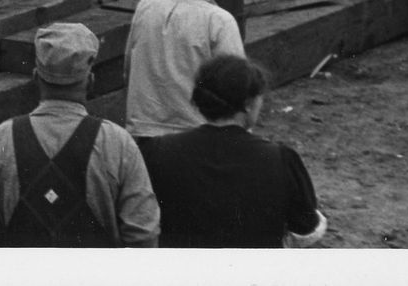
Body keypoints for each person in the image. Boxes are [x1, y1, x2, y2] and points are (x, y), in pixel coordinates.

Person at [0, 21, 160, 246]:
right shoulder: (117, 142)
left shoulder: (2, 138)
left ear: (35, 77)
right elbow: (143, 233)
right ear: (91, 81)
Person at [139, 54, 325, 246]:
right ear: (248, 104)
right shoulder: (280, 159)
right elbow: (306, 228)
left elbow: (139, 219)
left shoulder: (158, 151)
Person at [124, 0, 245, 138]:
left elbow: (128, 69)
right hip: (193, 135)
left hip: (143, 129)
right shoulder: (219, 20)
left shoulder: (147, 6)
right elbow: (236, 86)